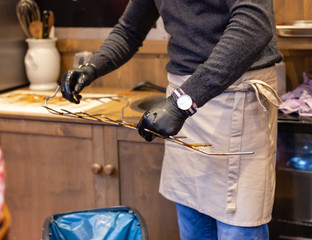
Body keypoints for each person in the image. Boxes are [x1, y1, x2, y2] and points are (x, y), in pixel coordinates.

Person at [60, 0, 283, 239]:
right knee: (191, 220)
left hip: (234, 96)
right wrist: (92, 67)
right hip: (183, 99)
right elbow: (129, 29)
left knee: (237, 226)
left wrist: (183, 102)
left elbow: (253, 26)